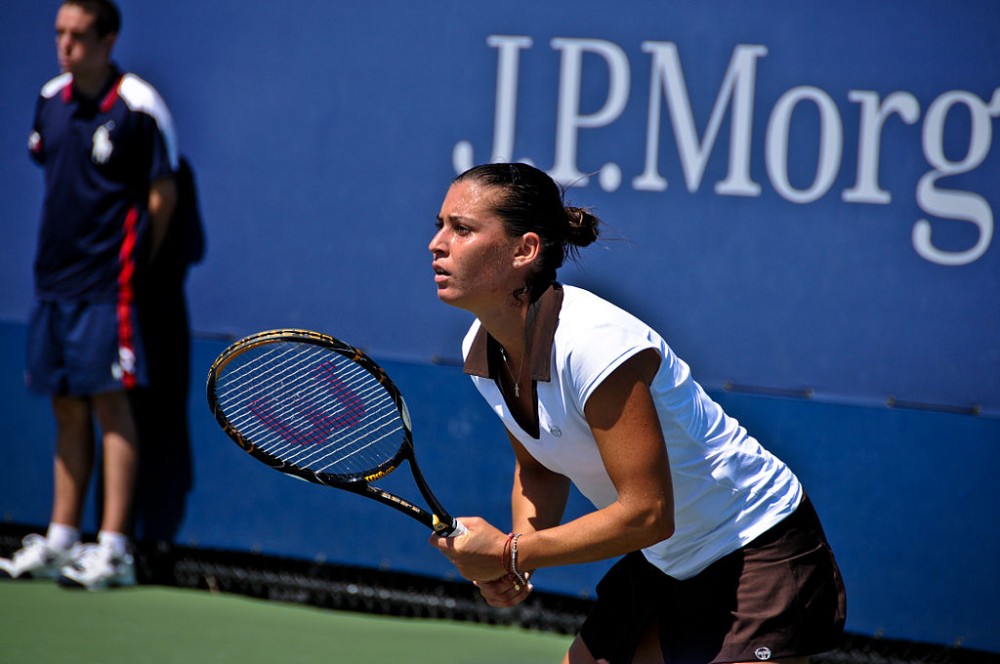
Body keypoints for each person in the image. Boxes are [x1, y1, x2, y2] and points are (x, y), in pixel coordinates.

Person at [428, 163, 846, 664]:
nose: (437, 244)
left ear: (525, 250)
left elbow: (648, 514)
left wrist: (508, 552)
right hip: (666, 558)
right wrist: (519, 558)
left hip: (754, 547)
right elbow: (538, 467)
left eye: (462, 229)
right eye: (441, 225)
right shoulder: (482, 347)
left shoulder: (594, 345)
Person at [0, 0, 178, 590]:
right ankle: (61, 538)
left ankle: (114, 549)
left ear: (108, 40)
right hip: (53, 280)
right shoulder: (50, 99)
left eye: (77, 35)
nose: (65, 45)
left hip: (109, 285)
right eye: (59, 34)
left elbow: (162, 196)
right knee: (66, 406)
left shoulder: (138, 106)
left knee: (109, 405)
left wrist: (134, 267)